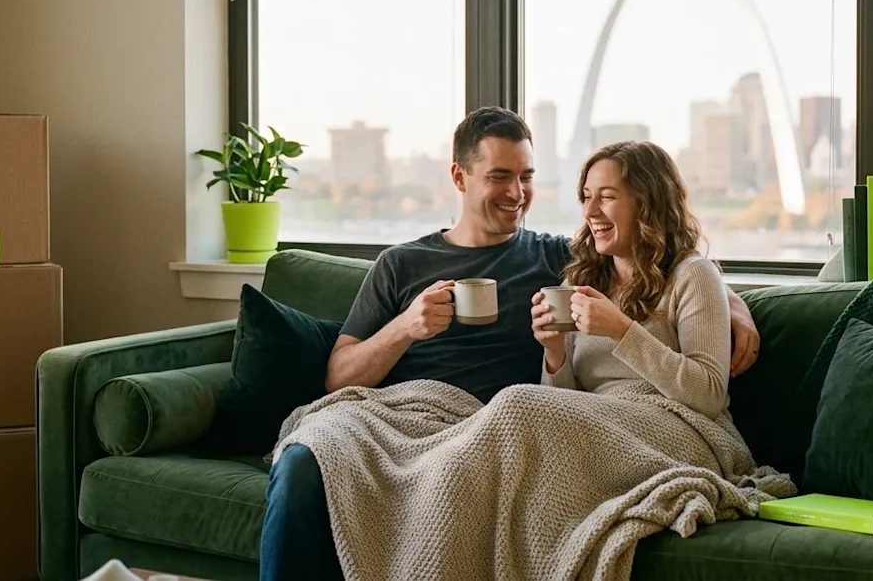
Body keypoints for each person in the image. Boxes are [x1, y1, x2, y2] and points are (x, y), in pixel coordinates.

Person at [259, 107, 762, 581]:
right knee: (309, 454)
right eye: (500, 176)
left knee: (479, 443)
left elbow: (656, 264)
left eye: (526, 177)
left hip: (492, 428)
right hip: (404, 415)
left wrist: (736, 304)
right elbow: (337, 378)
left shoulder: (559, 260)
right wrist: (404, 327)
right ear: (459, 177)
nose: (517, 192)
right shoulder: (399, 265)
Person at [532, 140, 734, 421]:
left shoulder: (693, 275)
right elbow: (556, 411)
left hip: (676, 425)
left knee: (516, 404)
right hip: (599, 428)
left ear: (647, 204)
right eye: (587, 196)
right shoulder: (580, 281)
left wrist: (622, 331)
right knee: (519, 410)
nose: (590, 211)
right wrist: (555, 353)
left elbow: (709, 396)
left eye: (607, 197)